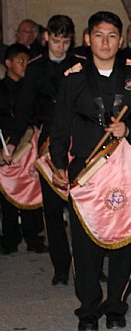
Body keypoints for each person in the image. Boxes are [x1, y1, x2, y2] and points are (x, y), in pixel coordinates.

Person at [49, 11, 131, 330]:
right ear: (87, 39)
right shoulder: (73, 77)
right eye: (99, 35)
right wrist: (59, 163)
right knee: (85, 245)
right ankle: (88, 309)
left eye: (112, 35)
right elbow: (60, 126)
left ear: (121, 40)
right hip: (86, 169)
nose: (106, 41)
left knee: (126, 238)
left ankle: (116, 307)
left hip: (126, 169)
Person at [6, 15, 86, 283]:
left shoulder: (81, 64)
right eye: (56, 40)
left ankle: (90, 268)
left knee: (84, 206)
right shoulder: (36, 68)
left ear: (71, 40)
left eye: (65, 41)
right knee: (52, 209)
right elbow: (25, 109)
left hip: (80, 140)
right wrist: (13, 141)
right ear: (46, 38)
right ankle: (61, 268)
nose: (61, 46)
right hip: (49, 143)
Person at [0, 43, 43, 255]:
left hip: (27, 147)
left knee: (29, 190)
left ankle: (33, 237)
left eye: (27, 61)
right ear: (8, 63)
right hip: (6, 146)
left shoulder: (31, 88)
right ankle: (9, 239)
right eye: (20, 61)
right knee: (6, 195)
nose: (25, 65)